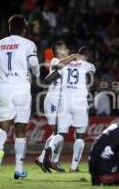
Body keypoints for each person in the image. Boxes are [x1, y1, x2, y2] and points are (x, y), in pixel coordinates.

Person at [0, 15, 40, 179]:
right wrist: (36, 74)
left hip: (4, 89)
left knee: (3, 127)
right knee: (20, 131)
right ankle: (18, 169)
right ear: (24, 29)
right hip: (22, 90)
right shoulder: (28, 44)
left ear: (9, 28)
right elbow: (35, 64)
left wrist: (3, 69)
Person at [44, 46, 95, 172]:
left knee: (60, 134)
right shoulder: (89, 65)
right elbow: (90, 81)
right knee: (80, 135)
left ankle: (48, 152)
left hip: (64, 102)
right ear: (87, 55)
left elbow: (48, 79)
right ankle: (74, 167)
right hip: (79, 103)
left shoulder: (65, 64)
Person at [35, 41, 83, 173]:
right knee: (59, 133)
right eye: (65, 48)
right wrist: (74, 56)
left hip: (61, 102)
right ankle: (49, 159)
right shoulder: (55, 60)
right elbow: (59, 67)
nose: (67, 49)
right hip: (53, 100)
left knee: (59, 133)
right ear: (59, 51)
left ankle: (47, 159)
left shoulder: (69, 66)